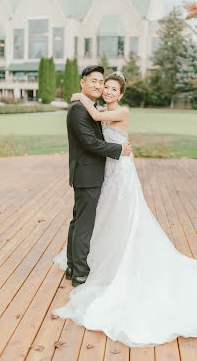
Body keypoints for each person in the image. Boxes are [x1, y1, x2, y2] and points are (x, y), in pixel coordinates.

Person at [53, 70, 197, 347]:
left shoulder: (115, 110)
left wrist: (80, 96)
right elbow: (94, 133)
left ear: (121, 94)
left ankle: (92, 265)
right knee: (95, 217)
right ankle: (82, 265)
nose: (106, 91)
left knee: (116, 214)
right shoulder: (93, 108)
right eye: (104, 86)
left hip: (119, 169)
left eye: (112, 88)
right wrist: (84, 99)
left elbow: (97, 123)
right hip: (104, 170)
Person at [57, 65, 132, 288]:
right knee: (84, 224)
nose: (99, 86)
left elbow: (99, 122)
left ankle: (73, 266)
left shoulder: (91, 107)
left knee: (79, 221)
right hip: (88, 173)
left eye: (102, 82)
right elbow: (90, 143)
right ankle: (80, 273)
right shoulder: (79, 109)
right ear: (83, 82)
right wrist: (119, 150)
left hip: (95, 172)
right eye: (95, 81)